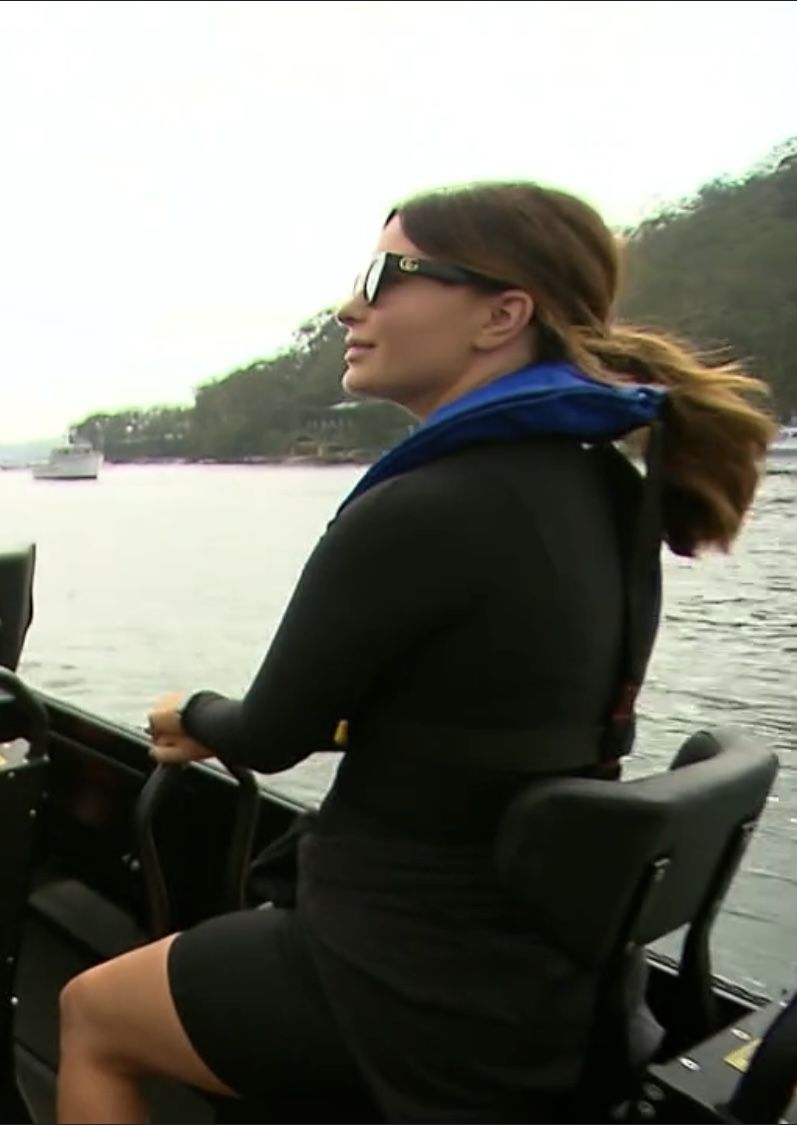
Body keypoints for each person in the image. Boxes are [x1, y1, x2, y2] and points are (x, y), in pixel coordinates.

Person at [56, 182, 775, 1125]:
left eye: (384, 276)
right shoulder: (607, 488)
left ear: (501, 315)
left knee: (93, 1015)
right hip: (544, 972)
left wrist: (190, 714)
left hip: (406, 968)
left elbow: (268, 734)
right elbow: (491, 710)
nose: (349, 307)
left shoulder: (426, 505)